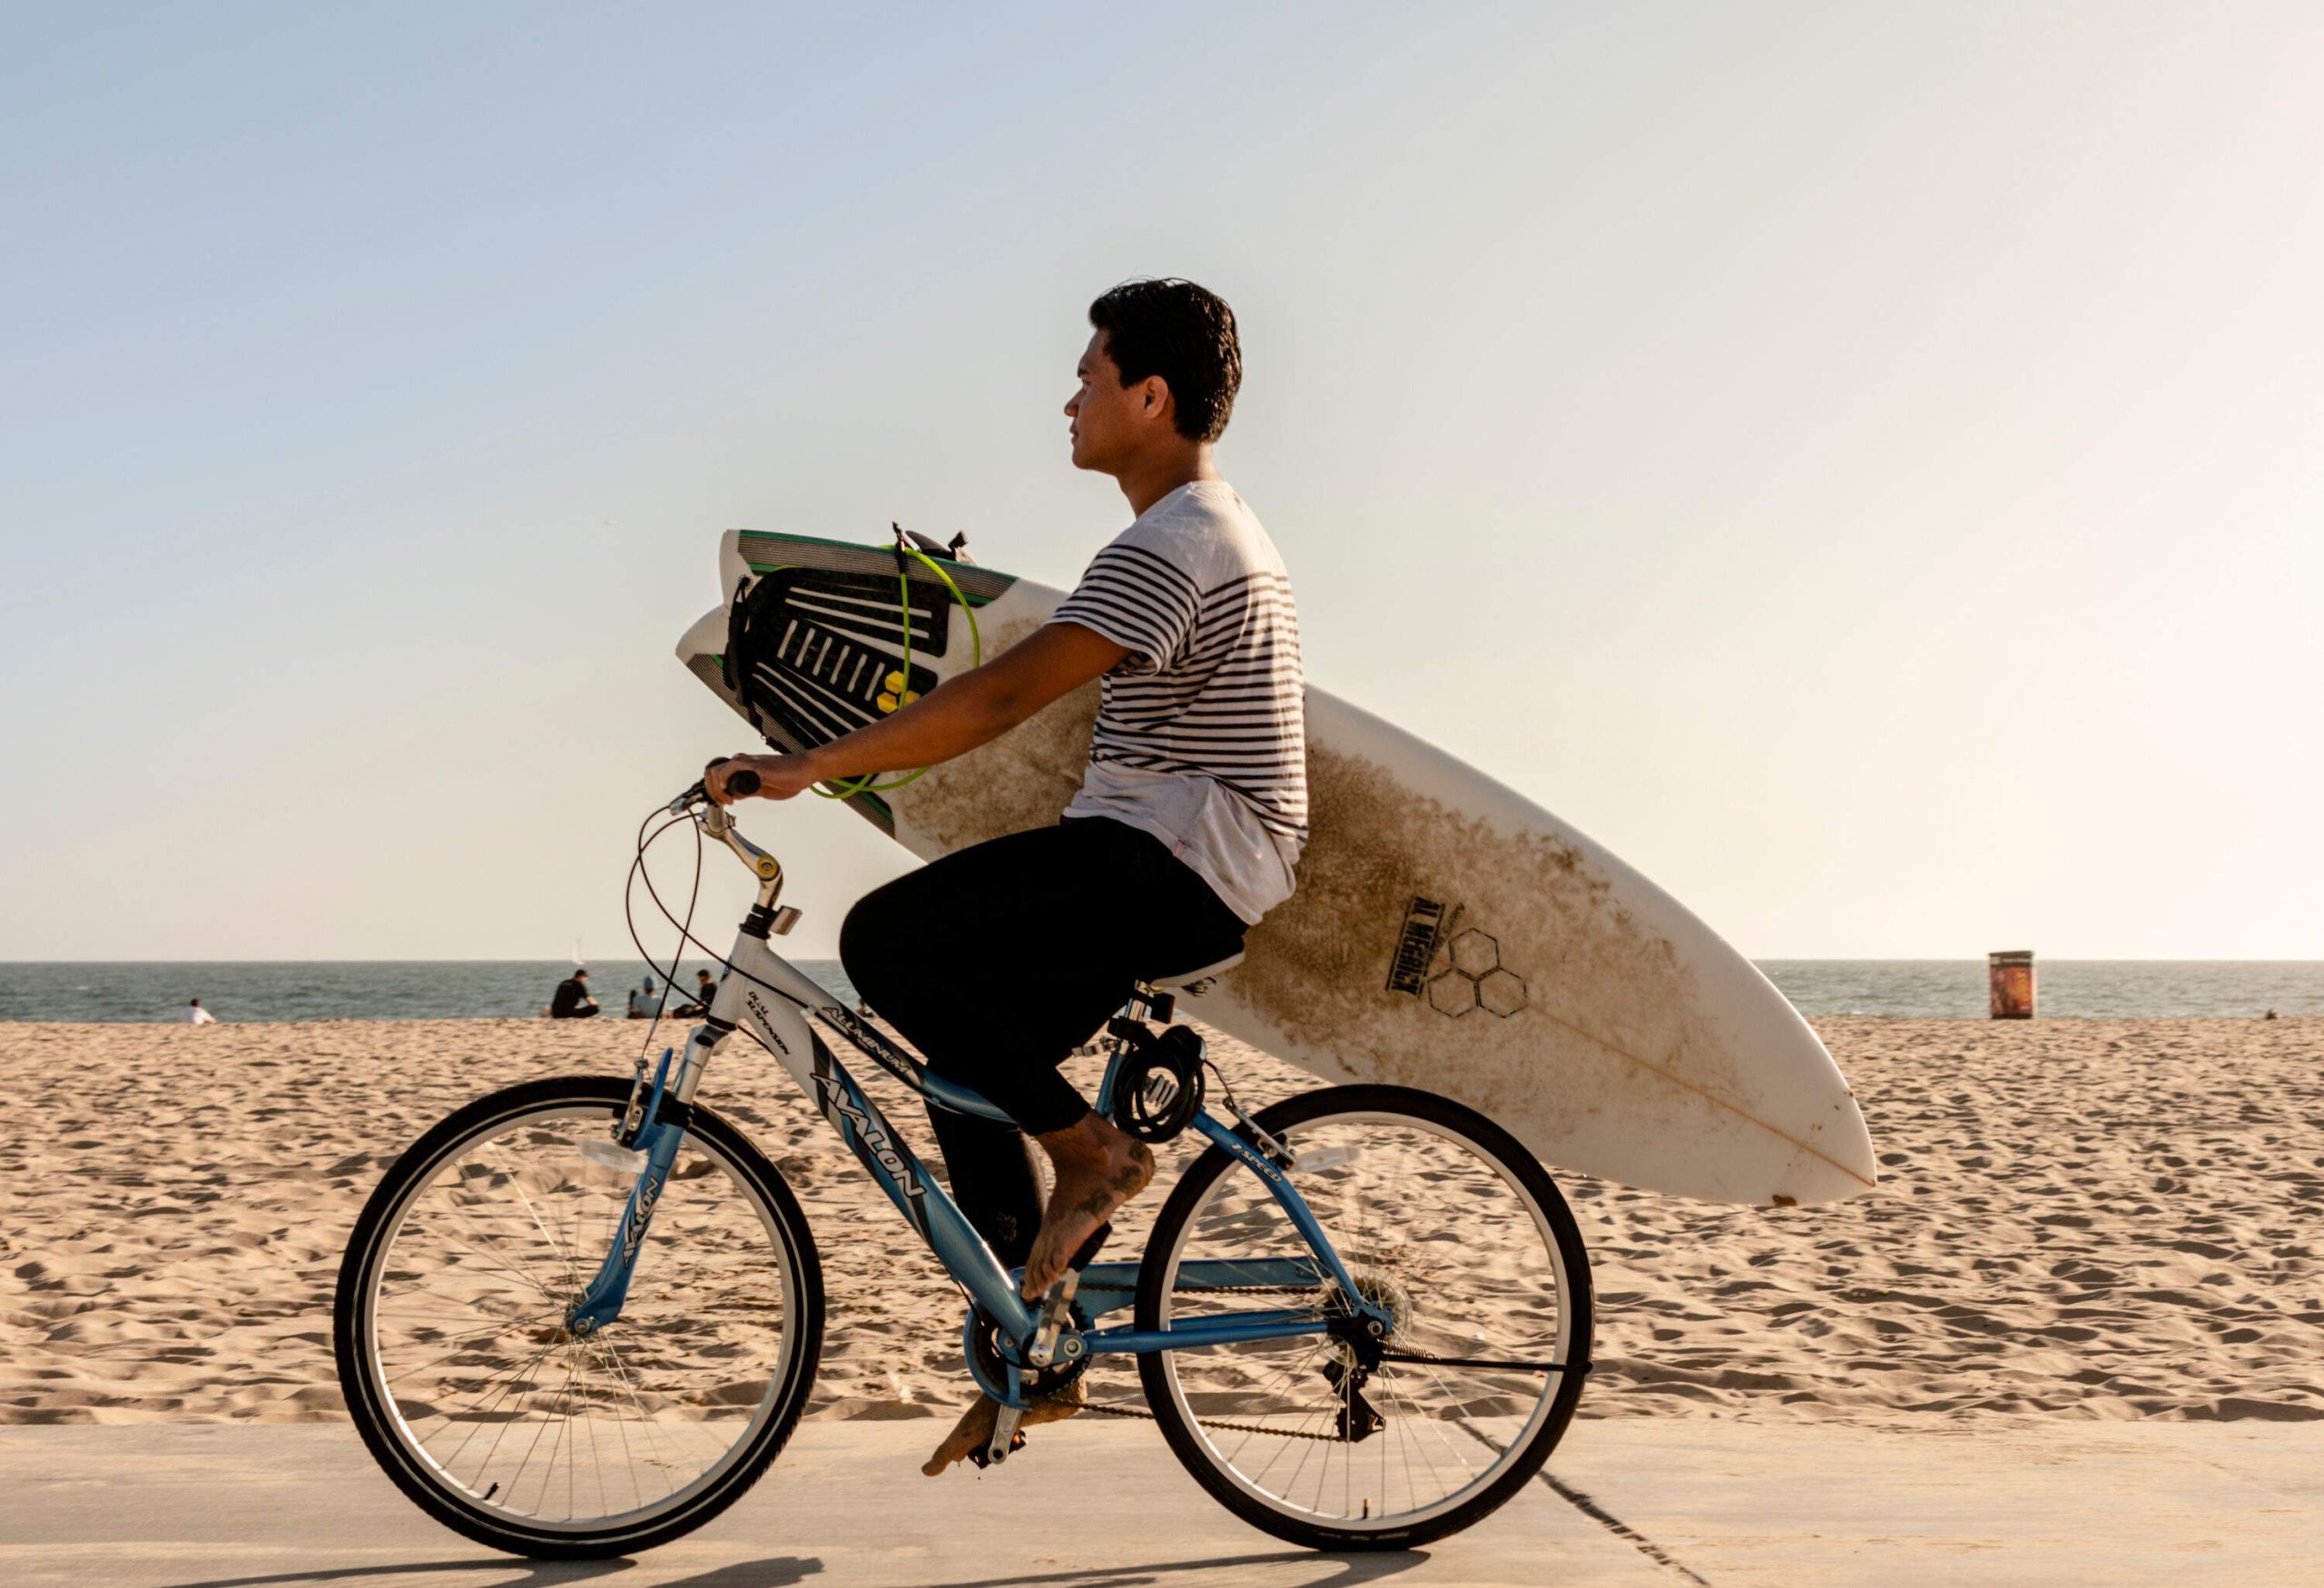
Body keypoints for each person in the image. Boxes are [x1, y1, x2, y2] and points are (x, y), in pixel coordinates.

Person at [708, 280, 1305, 1475]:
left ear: (1150, 394)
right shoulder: (1192, 529)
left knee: (887, 942)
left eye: (1089, 375)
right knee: (969, 1067)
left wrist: (808, 766)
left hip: (1177, 855)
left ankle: (1093, 1155)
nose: (1070, 397)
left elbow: (996, 698)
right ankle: (1039, 1345)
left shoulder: (1176, 543)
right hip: (1175, 852)